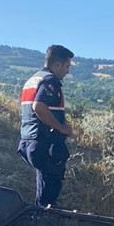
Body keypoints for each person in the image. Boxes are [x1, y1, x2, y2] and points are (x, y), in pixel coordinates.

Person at [17, 45, 75, 208]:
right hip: (45, 143)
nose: (67, 71)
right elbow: (39, 106)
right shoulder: (50, 81)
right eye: (67, 66)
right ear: (57, 64)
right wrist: (61, 127)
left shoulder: (33, 79)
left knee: (42, 194)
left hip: (27, 141)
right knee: (48, 201)